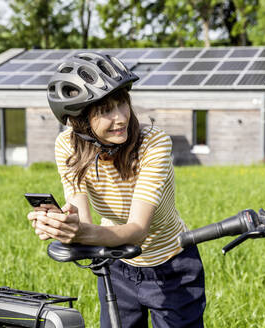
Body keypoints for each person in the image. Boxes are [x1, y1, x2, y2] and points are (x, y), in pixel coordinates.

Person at [27, 52, 206, 328]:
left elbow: (137, 230)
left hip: (172, 266)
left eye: (122, 103)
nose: (121, 117)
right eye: (105, 110)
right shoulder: (67, 146)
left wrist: (83, 233)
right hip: (116, 265)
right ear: (80, 121)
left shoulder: (154, 144)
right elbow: (83, 222)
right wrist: (63, 226)